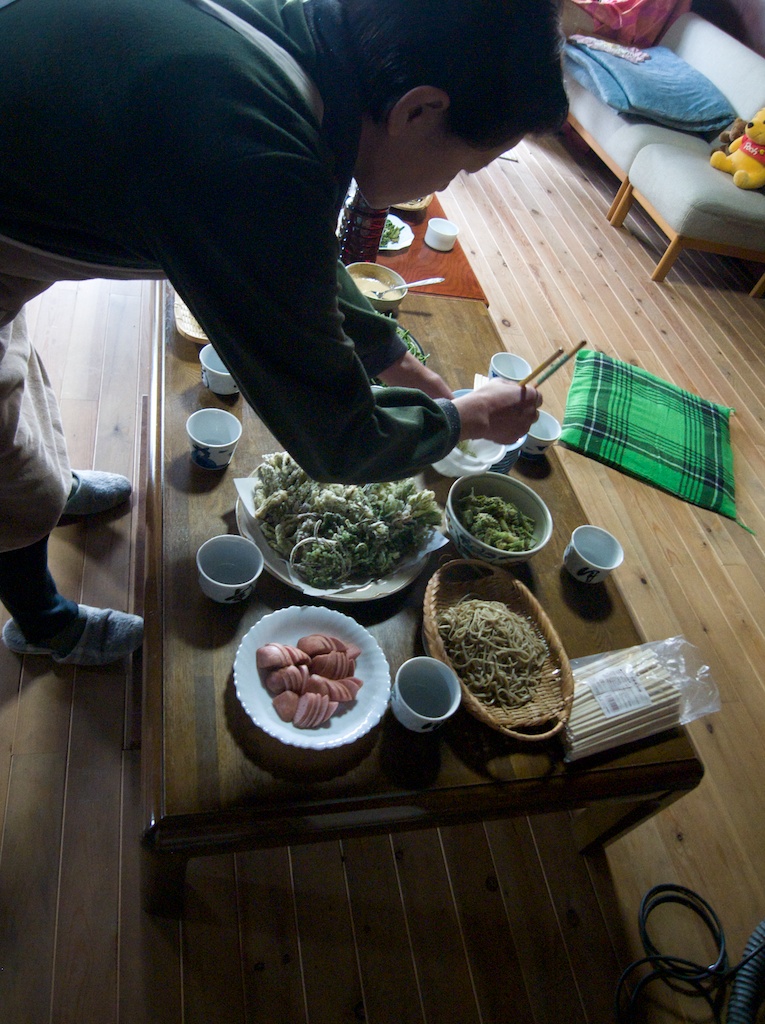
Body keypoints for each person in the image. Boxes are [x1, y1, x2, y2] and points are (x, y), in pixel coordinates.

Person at [0, 0, 568, 665]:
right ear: (419, 109)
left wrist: (386, 354)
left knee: (13, 386)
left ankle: (44, 486)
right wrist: (458, 419)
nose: (447, 182)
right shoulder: (243, 143)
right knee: (1, 471)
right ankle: (44, 625)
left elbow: (287, 242)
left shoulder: (310, 42)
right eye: (466, 165)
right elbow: (338, 440)